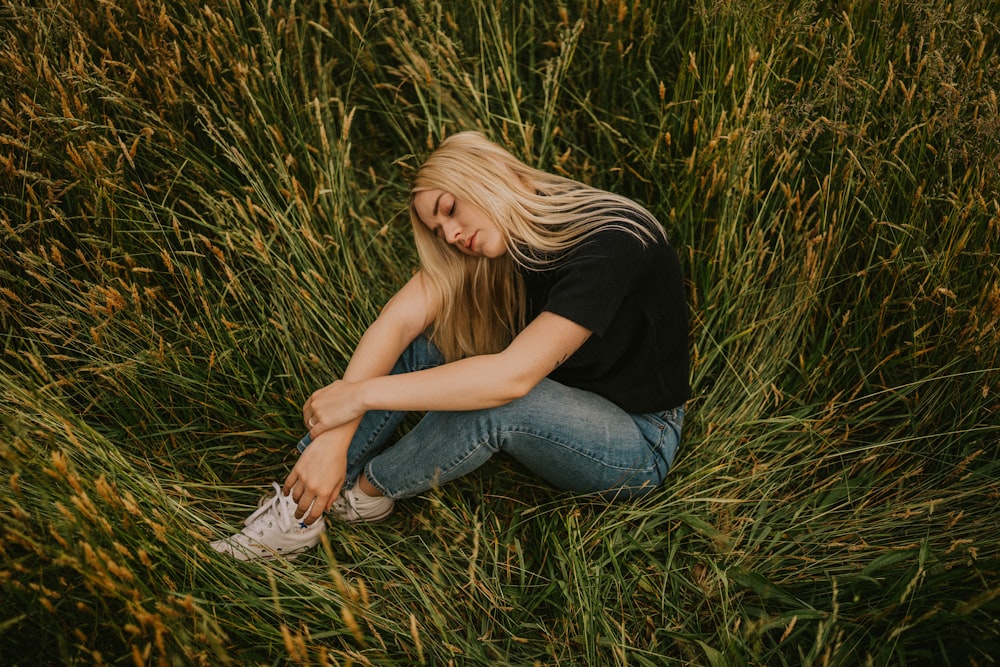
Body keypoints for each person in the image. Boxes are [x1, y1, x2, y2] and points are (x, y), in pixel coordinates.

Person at [211, 131, 690, 561]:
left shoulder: (613, 240)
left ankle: (364, 491)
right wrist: (333, 439)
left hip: (636, 440)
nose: (453, 236)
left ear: (489, 176)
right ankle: (304, 502)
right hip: (559, 379)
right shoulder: (506, 230)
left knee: (506, 399)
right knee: (424, 342)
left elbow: (510, 378)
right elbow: (398, 320)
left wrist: (357, 395)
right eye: (439, 232)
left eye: (450, 211)